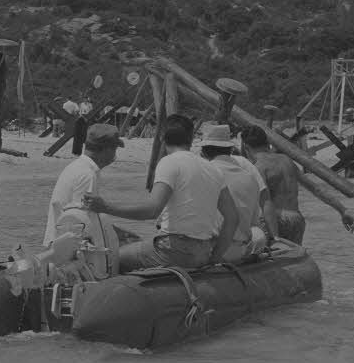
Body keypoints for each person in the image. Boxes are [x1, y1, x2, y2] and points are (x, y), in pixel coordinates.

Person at [84, 113, 238, 273]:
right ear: (191, 139)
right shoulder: (213, 169)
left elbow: (152, 210)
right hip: (203, 252)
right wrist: (214, 257)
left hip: (174, 250)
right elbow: (233, 218)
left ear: (162, 139)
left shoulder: (169, 162)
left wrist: (105, 207)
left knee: (110, 258)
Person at [239, 125, 354, 242]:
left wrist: (274, 236)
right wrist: (343, 210)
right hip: (296, 220)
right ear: (267, 143)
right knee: (293, 257)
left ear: (246, 146)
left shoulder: (258, 167)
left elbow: (266, 202)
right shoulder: (286, 161)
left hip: (277, 220)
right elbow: (316, 189)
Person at [198, 123, 279, 262]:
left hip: (211, 250)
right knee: (258, 234)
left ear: (203, 152)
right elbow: (254, 221)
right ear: (230, 149)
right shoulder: (249, 177)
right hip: (239, 250)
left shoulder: (203, 173)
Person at [44, 121, 125, 245]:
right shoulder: (87, 175)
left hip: (57, 242)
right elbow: (80, 224)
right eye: (115, 148)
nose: (115, 154)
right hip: (63, 251)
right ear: (106, 149)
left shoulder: (78, 166)